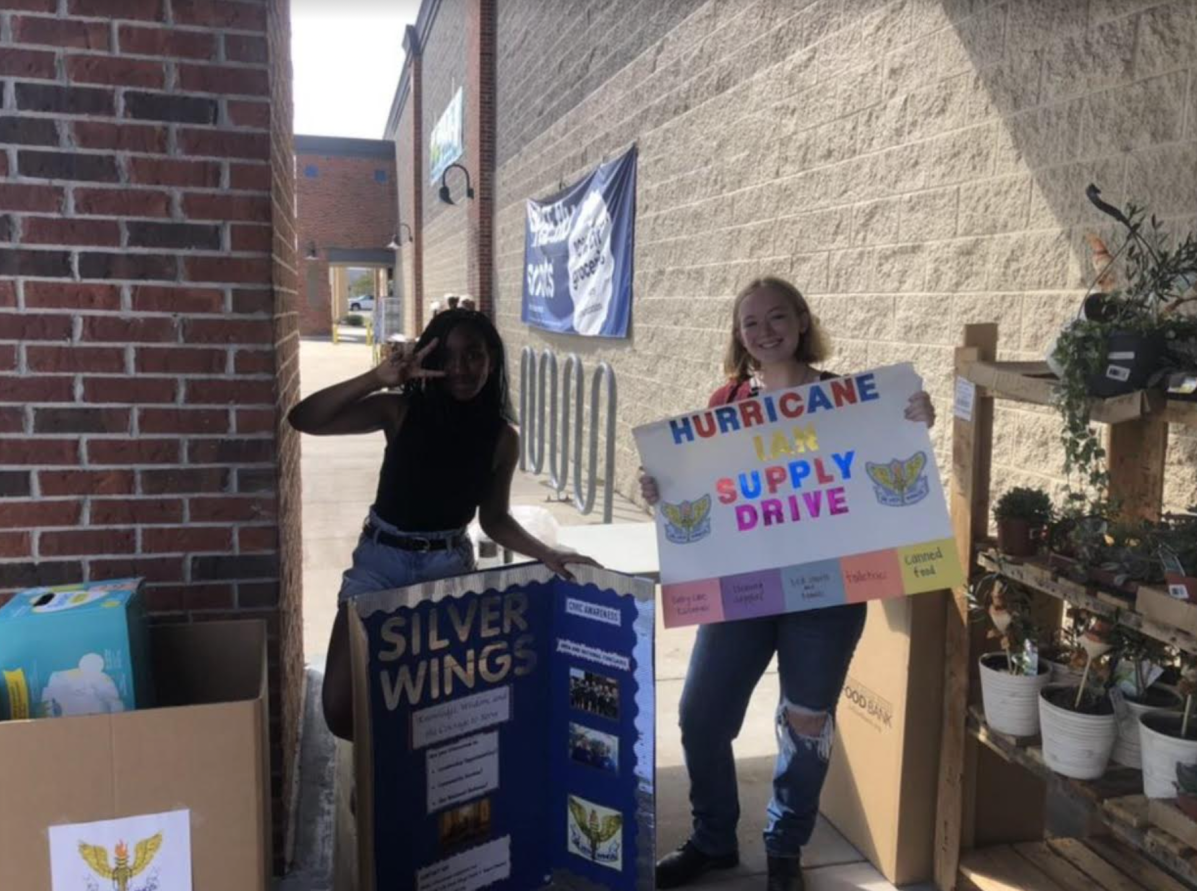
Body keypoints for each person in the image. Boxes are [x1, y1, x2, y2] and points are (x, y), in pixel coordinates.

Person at [639, 277, 935, 891]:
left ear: (802, 322)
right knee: (700, 715)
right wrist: (661, 490)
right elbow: (705, 491)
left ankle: (784, 850)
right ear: (739, 336)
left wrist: (913, 421)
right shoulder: (725, 401)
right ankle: (713, 840)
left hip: (824, 596)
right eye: (752, 323)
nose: (765, 331)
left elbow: (882, 464)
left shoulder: (848, 399)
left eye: (778, 318)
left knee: (805, 724)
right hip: (743, 589)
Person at [289, 308, 597, 740]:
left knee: (433, 709)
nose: (460, 369)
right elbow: (305, 419)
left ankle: (395, 784)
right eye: (448, 356)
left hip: (447, 569)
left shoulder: (501, 437)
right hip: (380, 564)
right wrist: (377, 379)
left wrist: (548, 553)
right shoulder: (400, 412)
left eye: (473, 355)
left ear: (491, 358)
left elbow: (494, 518)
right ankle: (380, 766)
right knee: (342, 710)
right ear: (430, 359)